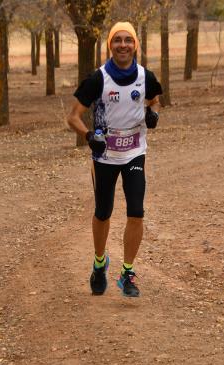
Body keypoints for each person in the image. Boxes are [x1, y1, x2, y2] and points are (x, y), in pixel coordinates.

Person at [67, 22, 162, 298]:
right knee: (103, 212)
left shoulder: (146, 77)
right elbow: (72, 117)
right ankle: (99, 263)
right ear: (110, 45)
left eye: (128, 40)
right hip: (105, 155)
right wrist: (88, 136)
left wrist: (153, 113)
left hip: (134, 152)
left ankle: (128, 272)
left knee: (136, 211)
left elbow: (154, 100)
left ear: (135, 45)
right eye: (117, 40)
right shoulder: (98, 79)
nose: (123, 45)